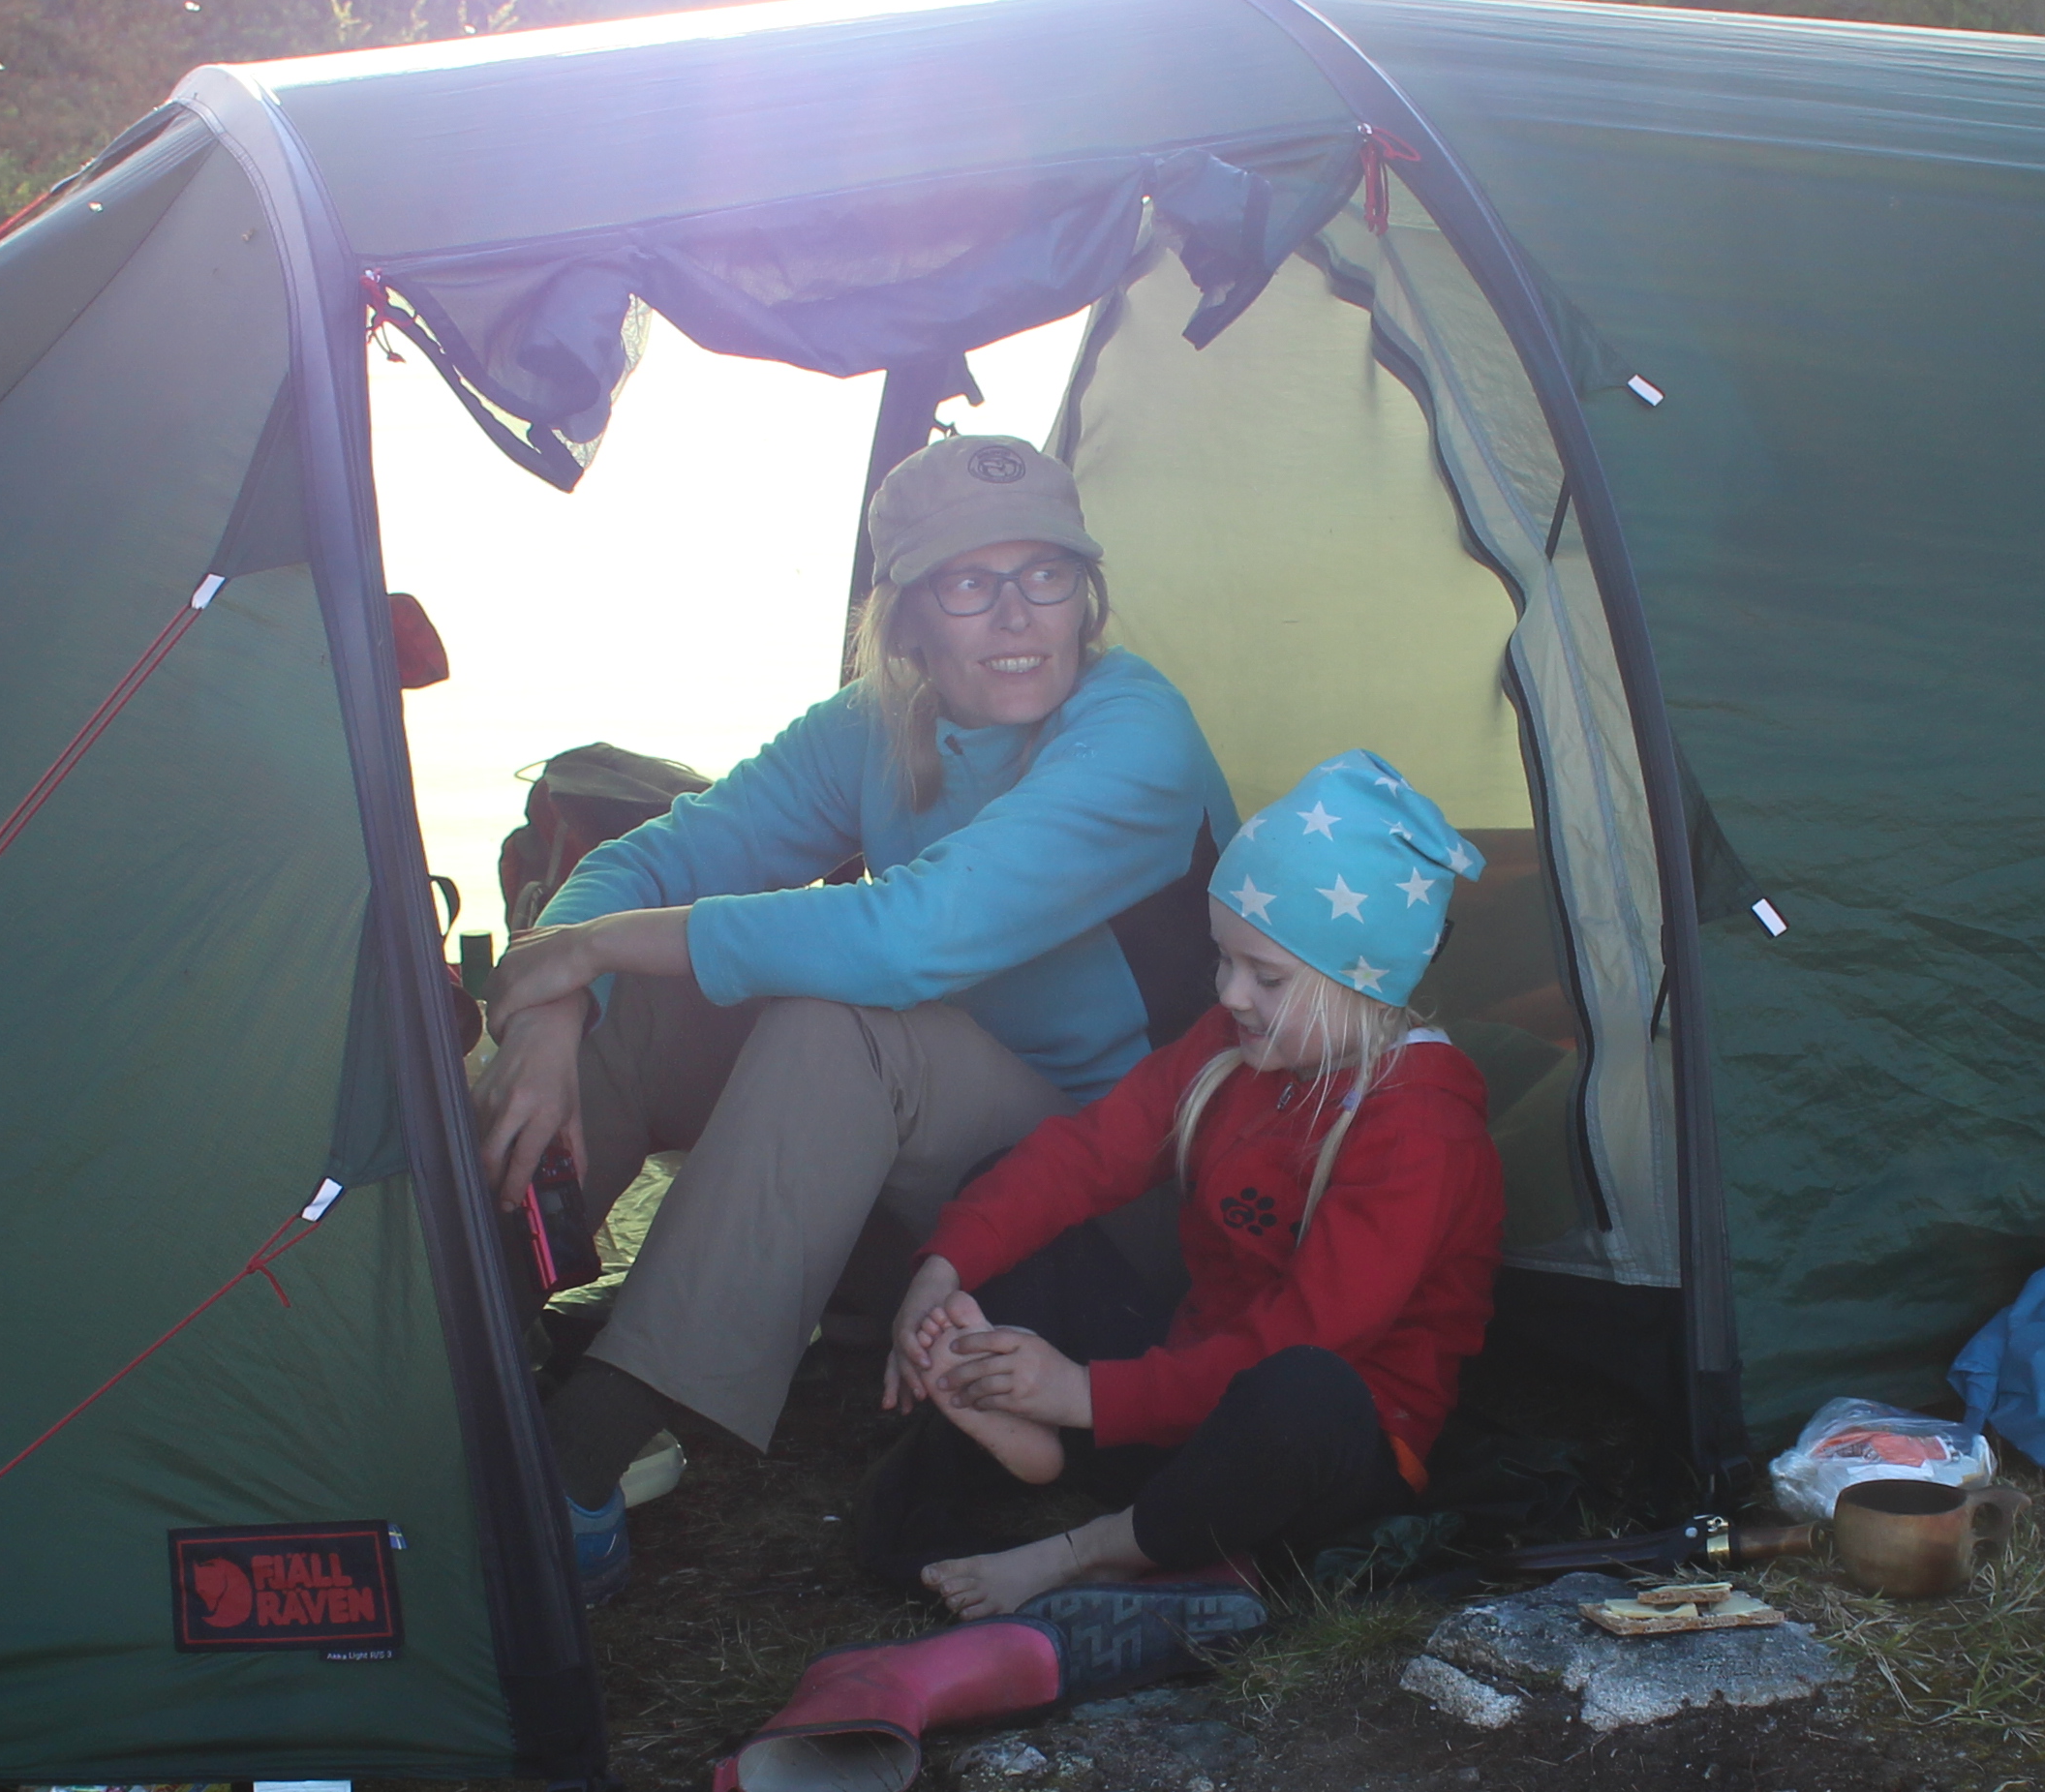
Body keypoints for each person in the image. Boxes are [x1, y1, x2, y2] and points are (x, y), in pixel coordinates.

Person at [467, 432, 1226, 1595]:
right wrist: (553, 1008)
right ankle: (438, 1360)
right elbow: (662, 859)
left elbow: (917, 935)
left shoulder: (1135, 735)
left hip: (1121, 1194)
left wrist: (590, 948)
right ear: (911, 617)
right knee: (640, 1012)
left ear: (1088, 593)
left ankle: (572, 1474)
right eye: (971, 584)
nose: (1019, 614)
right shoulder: (876, 725)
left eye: (1048, 574)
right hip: (931, 1163)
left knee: (839, 1023)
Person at [863, 748, 1503, 1621]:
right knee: (1006, 1197)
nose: (1230, 993)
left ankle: (1091, 1551)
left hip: (1319, 1452)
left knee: (1301, 1392)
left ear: (1363, 981)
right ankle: (1050, 1449)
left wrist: (1086, 1392)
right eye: (1223, 960)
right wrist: (944, 1267)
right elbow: (1087, 1156)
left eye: (1267, 976)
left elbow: (1304, 1336)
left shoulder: (1419, 1129)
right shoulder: (1229, 1049)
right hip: (1184, 1397)